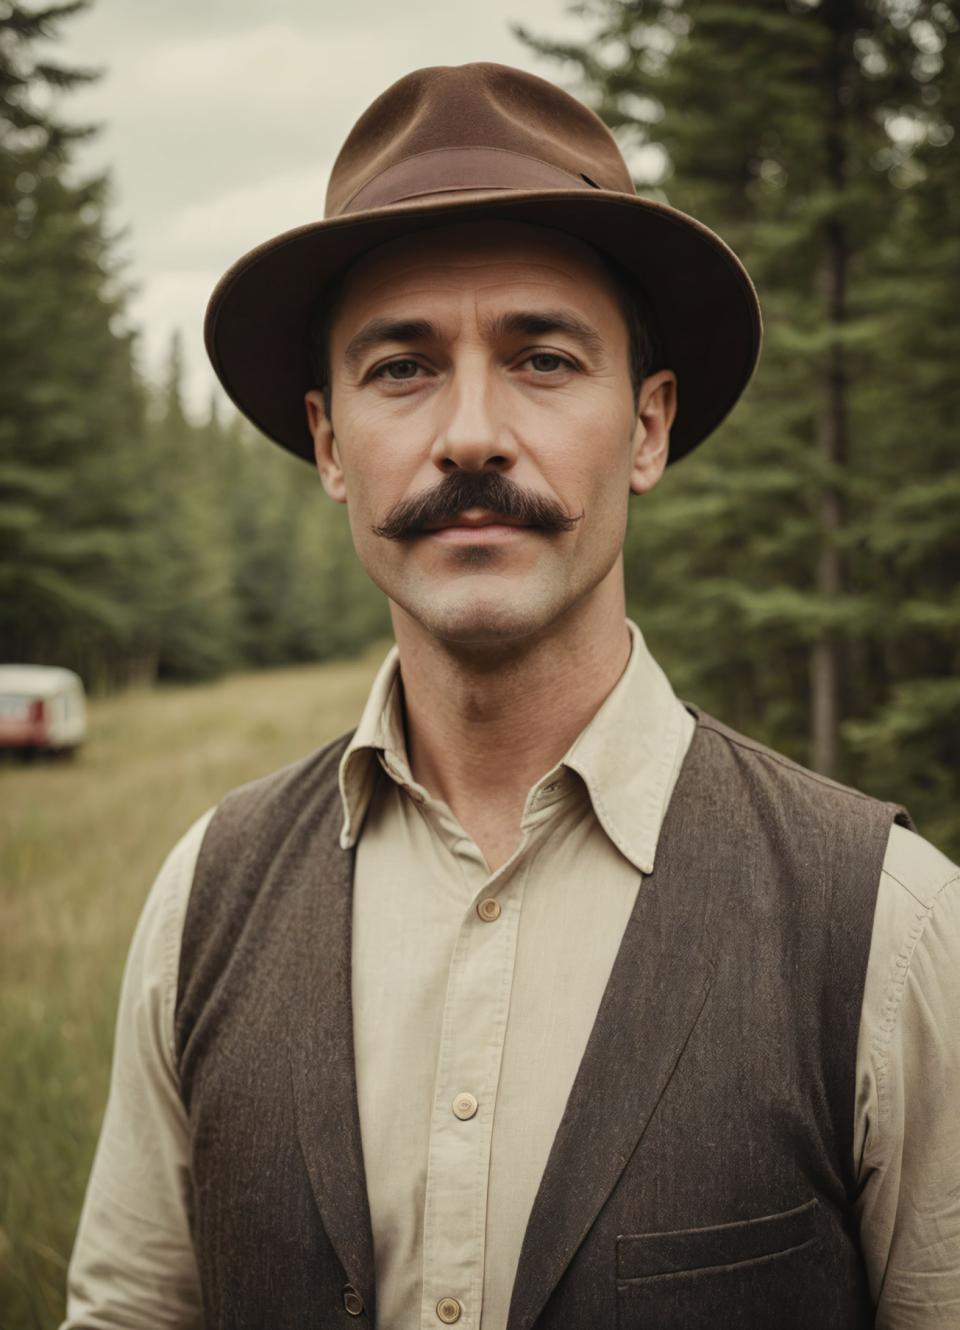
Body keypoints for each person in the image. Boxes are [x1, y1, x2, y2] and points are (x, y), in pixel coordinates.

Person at [62, 63, 959, 1330]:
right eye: (401, 368)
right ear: (328, 442)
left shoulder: (892, 929)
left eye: (542, 357)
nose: (472, 433)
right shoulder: (201, 901)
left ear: (646, 429)